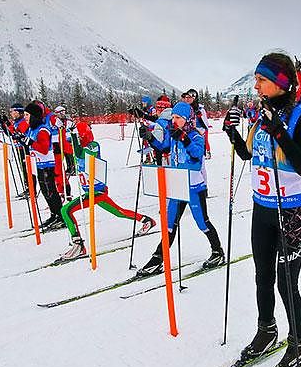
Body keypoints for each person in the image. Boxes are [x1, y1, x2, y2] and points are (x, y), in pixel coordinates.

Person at [222, 52, 301, 367]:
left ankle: (299, 343)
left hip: (289, 212)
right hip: (262, 209)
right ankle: (267, 329)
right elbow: (248, 153)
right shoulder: (261, 115)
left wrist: (281, 134)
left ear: (280, 83)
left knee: (286, 284)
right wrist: (233, 133)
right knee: (262, 275)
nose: (256, 84)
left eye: (262, 79)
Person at [136, 101, 225, 276]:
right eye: (173, 117)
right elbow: (163, 148)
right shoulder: (173, 134)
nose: (174, 120)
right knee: (169, 224)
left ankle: (217, 252)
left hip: (194, 188)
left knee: (202, 222)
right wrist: (150, 137)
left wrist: (183, 139)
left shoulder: (196, 136)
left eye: (178, 118)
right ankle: (157, 259)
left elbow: (196, 158)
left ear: (187, 119)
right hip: (178, 187)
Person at [58, 122, 156, 261]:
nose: (76, 140)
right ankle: (147, 220)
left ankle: (78, 244)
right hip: (89, 191)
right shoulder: (78, 146)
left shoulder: (93, 145)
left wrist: (74, 136)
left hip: (97, 191)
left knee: (65, 210)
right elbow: (66, 148)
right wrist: (62, 130)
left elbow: (81, 153)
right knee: (118, 212)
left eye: (79, 136)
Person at [23, 101, 64, 230]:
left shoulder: (43, 130)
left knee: (51, 191)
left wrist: (31, 143)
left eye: (27, 115)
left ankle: (61, 216)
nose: (25, 117)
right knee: (45, 192)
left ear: (34, 115)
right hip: (38, 164)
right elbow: (28, 141)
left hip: (47, 164)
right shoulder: (32, 129)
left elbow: (44, 149)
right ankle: (54, 214)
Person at [182, 89, 211, 159]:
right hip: (187, 133)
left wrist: (198, 116)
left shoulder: (200, 109)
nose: (189, 98)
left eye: (193, 96)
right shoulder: (184, 108)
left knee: (203, 143)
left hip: (199, 132)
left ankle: (207, 152)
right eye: (188, 96)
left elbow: (205, 124)